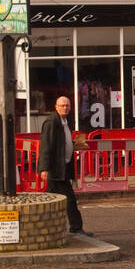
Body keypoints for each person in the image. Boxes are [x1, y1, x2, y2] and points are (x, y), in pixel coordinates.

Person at [38, 96, 89, 235]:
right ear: (56, 107)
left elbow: (63, 143)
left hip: (63, 167)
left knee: (52, 200)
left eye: (67, 105)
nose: (65, 107)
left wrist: (75, 146)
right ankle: (75, 227)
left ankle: (49, 228)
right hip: (55, 169)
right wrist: (44, 168)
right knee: (67, 199)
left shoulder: (65, 121)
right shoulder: (51, 122)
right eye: (62, 105)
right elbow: (45, 146)